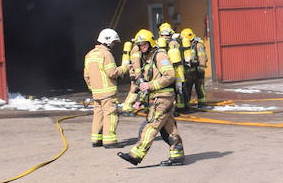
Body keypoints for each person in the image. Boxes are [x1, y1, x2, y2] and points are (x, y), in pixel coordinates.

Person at [117, 28, 185, 167]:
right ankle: (177, 155)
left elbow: (170, 75)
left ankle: (136, 155)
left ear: (151, 43)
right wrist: (140, 101)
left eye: (144, 44)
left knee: (152, 125)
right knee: (169, 127)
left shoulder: (159, 55)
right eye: (140, 45)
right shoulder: (147, 59)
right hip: (157, 96)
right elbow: (145, 84)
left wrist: (151, 85)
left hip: (163, 96)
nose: (142, 47)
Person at [83, 28, 122, 148]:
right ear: (108, 41)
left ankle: (96, 140)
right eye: (114, 42)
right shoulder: (106, 54)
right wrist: (124, 68)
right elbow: (112, 72)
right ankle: (109, 141)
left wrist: (92, 88)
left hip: (96, 93)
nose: (114, 44)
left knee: (98, 115)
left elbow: (86, 75)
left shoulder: (89, 55)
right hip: (108, 93)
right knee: (110, 115)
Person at [180, 27, 208, 110]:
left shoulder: (198, 45)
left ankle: (202, 103)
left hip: (198, 70)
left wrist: (201, 67)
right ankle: (186, 103)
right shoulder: (184, 46)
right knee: (187, 88)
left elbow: (202, 56)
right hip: (188, 71)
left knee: (199, 87)